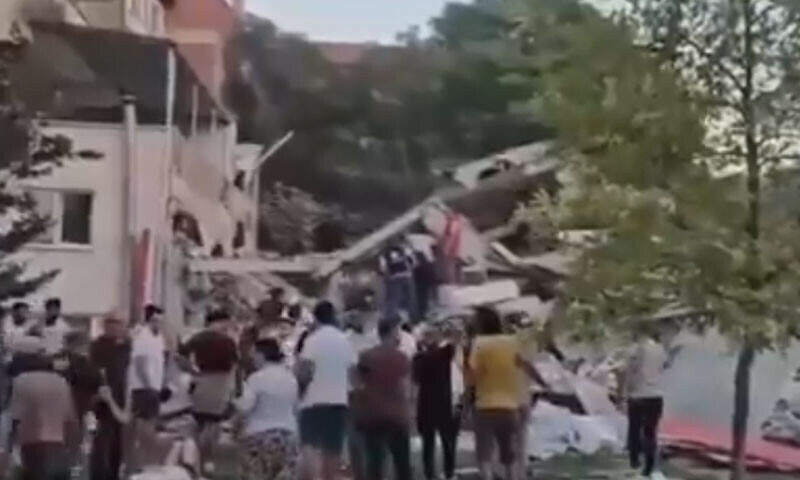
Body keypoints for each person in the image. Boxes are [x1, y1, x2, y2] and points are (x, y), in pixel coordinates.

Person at [467, 307, 546, 480]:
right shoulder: (512, 342)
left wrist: (467, 395)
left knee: (484, 456)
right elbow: (526, 366)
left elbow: (472, 377)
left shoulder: (479, 343)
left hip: (485, 406)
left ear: (481, 324)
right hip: (510, 407)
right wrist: (544, 383)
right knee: (509, 456)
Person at [295, 301, 356, 480]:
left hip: (313, 400)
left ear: (316, 317)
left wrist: (299, 391)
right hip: (339, 401)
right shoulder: (345, 340)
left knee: (310, 446)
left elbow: (305, 371)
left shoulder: (313, 340)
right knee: (332, 448)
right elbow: (352, 373)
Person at [178, 309, 239, 472]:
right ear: (220, 321)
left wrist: (192, 371)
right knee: (213, 423)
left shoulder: (197, 338)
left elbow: (180, 356)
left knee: (199, 422)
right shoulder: (228, 342)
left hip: (200, 381)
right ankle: (206, 460)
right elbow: (234, 367)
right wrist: (235, 389)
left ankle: (193, 458)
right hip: (220, 383)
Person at [234, 338, 300, 480]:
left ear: (261, 355)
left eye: (254, 354)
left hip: (259, 436)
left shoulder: (256, 379)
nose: (252, 359)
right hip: (288, 436)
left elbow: (245, 407)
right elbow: (295, 407)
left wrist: (234, 405)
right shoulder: (291, 379)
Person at [8, 352, 78, 480]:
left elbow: (14, 418)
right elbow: (70, 420)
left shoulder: (20, 381)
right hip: (58, 446)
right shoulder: (62, 382)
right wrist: (72, 453)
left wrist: (10, 448)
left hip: (32, 447)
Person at [357, 317, 412, 480]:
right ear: (391, 332)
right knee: (402, 463)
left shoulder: (366, 356)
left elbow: (359, 384)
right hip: (397, 416)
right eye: (397, 331)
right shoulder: (402, 357)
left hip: (373, 414)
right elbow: (406, 387)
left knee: (374, 463)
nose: (399, 335)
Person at [413, 325, 459, 480]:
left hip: (425, 404)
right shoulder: (445, 354)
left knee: (428, 443)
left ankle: (429, 474)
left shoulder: (418, 358)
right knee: (448, 442)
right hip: (444, 402)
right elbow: (454, 340)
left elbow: (415, 379)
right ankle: (449, 473)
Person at [622, 324, 669, 480]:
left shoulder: (634, 350)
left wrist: (624, 394)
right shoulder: (660, 349)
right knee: (650, 432)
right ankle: (648, 466)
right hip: (656, 396)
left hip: (638, 396)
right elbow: (665, 367)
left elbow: (628, 372)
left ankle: (634, 462)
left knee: (634, 430)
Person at [89, 312, 131, 480]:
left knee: (119, 446)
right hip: (102, 402)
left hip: (123, 400)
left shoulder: (129, 347)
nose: (114, 326)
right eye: (110, 322)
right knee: (101, 445)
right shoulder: (97, 346)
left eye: (118, 322)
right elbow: (91, 370)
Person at [52, 331, 102, 473]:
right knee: (79, 442)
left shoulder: (60, 358)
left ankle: (68, 466)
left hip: (61, 407)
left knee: (65, 441)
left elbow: (59, 377)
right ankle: (75, 467)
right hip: (81, 407)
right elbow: (98, 382)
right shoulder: (89, 362)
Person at [127, 304, 167, 473]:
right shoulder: (142, 336)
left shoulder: (158, 338)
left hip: (154, 387)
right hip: (144, 388)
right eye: (156, 320)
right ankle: (139, 462)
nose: (159, 324)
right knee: (144, 426)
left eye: (161, 321)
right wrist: (149, 385)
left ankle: (146, 461)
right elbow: (140, 363)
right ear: (149, 320)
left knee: (150, 425)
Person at [379, 239, 417, 319]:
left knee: (395, 298)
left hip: (395, 277)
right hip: (406, 275)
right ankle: (408, 315)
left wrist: (386, 277)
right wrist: (410, 269)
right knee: (409, 297)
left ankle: (395, 316)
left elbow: (383, 268)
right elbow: (412, 260)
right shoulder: (403, 249)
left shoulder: (384, 254)